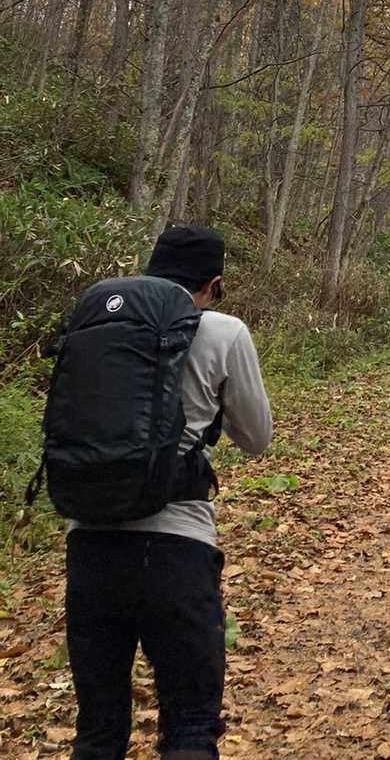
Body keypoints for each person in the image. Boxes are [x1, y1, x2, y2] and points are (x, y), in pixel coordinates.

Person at [64, 224, 273, 760]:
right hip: (177, 545)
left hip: (88, 542)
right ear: (214, 284)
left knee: (97, 732)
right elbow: (257, 438)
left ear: (151, 269)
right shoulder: (224, 330)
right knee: (190, 728)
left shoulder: (100, 321)